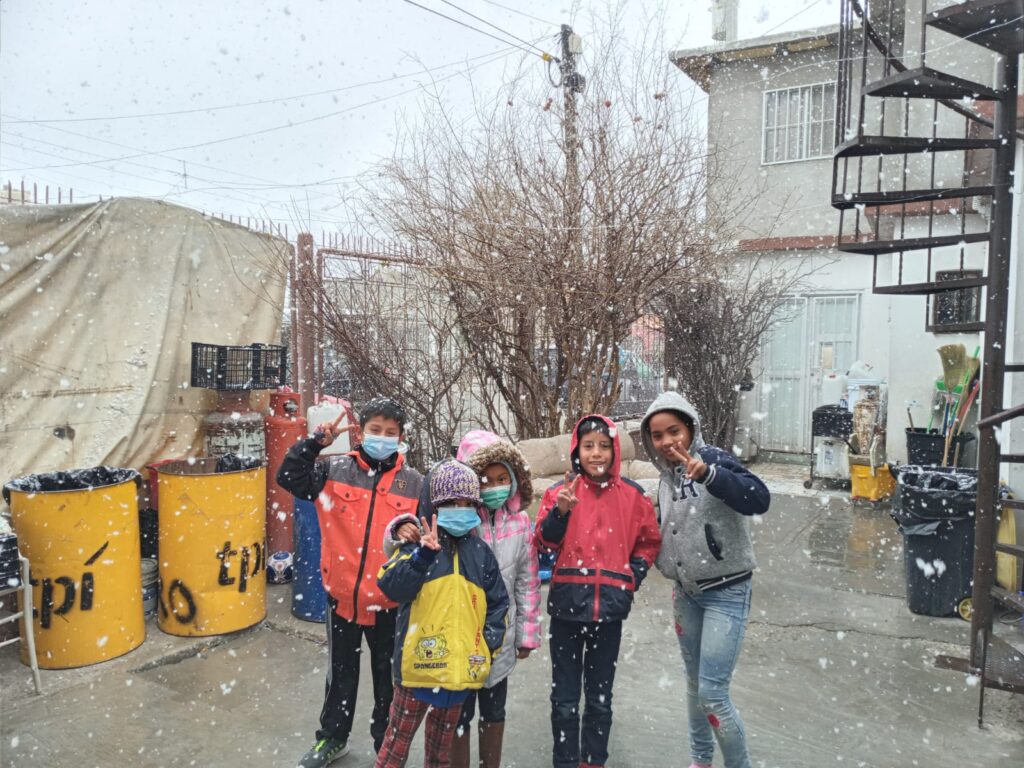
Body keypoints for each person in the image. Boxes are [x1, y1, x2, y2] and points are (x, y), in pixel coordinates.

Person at [277, 396, 424, 768]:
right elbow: (288, 477)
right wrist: (314, 444)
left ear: (402, 437)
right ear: (361, 431)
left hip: (390, 603)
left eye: (391, 433)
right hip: (341, 598)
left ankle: (385, 748)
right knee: (340, 675)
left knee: (386, 682)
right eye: (375, 430)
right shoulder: (334, 470)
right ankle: (332, 739)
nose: (382, 438)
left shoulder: (415, 484)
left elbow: (428, 538)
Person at [385, 430, 540, 768]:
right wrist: (399, 528)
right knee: (455, 719)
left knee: (494, 710)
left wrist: (505, 638)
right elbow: (407, 540)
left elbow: (525, 583)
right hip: (447, 649)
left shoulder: (519, 522)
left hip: (494, 642)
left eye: (503, 478)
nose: (495, 487)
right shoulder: (457, 527)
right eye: (486, 480)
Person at [640, 391, 770, 768]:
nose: (667, 442)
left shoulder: (712, 459)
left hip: (726, 594)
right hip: (687, 595)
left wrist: (712, 475)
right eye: (658, 435)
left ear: (691, 428)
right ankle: (701, 761)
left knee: (713, 694)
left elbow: (759, 498)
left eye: (674, 431)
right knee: (695, 686)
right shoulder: (665, 477)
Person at [533, 414, 661, 768]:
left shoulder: (634, 497)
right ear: (577, 450)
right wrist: (560, 512)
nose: (596, 453)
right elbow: (543, 544)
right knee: (564, 699)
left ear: (615, 450)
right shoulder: (559, 494)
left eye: (604, 446)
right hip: (566, 613)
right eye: (588, 446)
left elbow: (648, 543)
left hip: (609, 614)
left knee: (600, 699)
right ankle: (566, 760)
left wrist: (631, 578)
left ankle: (594, 760)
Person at [374, 460, 509, 768]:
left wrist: (486, 646)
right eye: (450, 503)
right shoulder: (417, 546)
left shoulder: (481, 553)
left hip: (458, 673)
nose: (460, 509)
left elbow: (498, 604)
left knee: (440, 753)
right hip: (415, 671)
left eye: (466, 503)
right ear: (433, 505)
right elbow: (391, 586)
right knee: (396, 746)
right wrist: (422, 556)